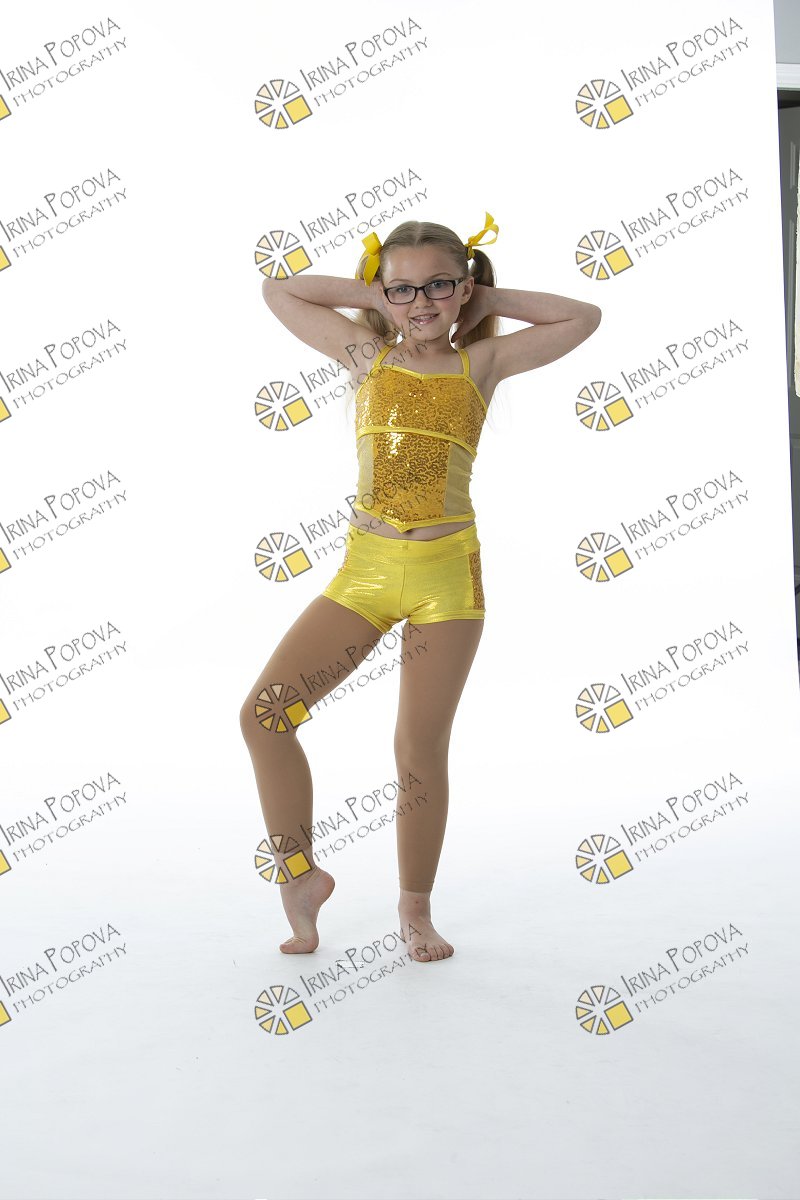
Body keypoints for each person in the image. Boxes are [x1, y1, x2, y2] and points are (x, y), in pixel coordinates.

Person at [240, 213, 601, 962]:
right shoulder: (367, 355)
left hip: (447, 581)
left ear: (463, 287)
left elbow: (583, 315)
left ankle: (414, 908)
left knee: (417, 747)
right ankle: (300, 878)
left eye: (439, 285)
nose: (421, 302)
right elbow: (279, 290)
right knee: (266, 714)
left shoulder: (482, 364)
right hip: (364, 574)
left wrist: (483, 300)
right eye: (403, 289)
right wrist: (375, 293)